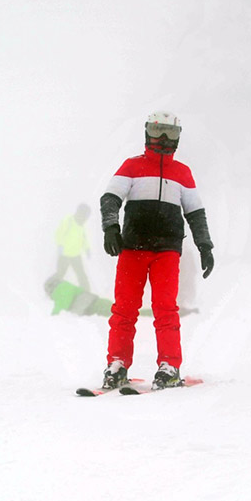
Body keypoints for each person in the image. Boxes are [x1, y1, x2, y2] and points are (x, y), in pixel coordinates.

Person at [98, 111, 214, 390]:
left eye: (171, 133)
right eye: (158, 132)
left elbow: (196, 213)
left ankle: (169, 366)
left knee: (165, 308)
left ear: (178, 137)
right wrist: (111, 228)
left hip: (166, 251)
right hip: (133, 249)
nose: (163, 139)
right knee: (124, 309)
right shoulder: (132, 166)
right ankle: (117, 364)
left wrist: (205, 245)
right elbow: (110, 197)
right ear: (147, 133)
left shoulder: (182, 173)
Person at [53, 204, 92, 291]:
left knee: (81, 275)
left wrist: (87, 249)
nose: (85, 219)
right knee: (60, 274)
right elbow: (59, 233)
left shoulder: (81, 226)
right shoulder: (68, 221)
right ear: (80, 213)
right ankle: (51, 289)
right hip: (64, 254)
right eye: (85, 216)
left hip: (75, 255)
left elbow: (83, 239)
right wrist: (59, 245)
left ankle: (87, 293)